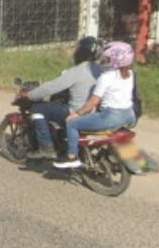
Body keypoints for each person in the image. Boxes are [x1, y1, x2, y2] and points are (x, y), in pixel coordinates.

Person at [55, 41, 137, 169]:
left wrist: (77, 113)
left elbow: (93, 102)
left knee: (72, 123)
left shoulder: (106, 77)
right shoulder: (130, 74)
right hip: (129, 115)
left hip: (111, 116)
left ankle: (72, 157)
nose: (104, 61)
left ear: (117, 60)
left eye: (108, 58)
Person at [18, 37, 101, 160]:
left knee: (37, 109)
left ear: (82, 51)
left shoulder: (78, 71)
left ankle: (46, 147)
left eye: (77, 48)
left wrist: (29, 95)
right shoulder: (100, 69)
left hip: (77, 112)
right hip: (96, 113)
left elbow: (51, 88)